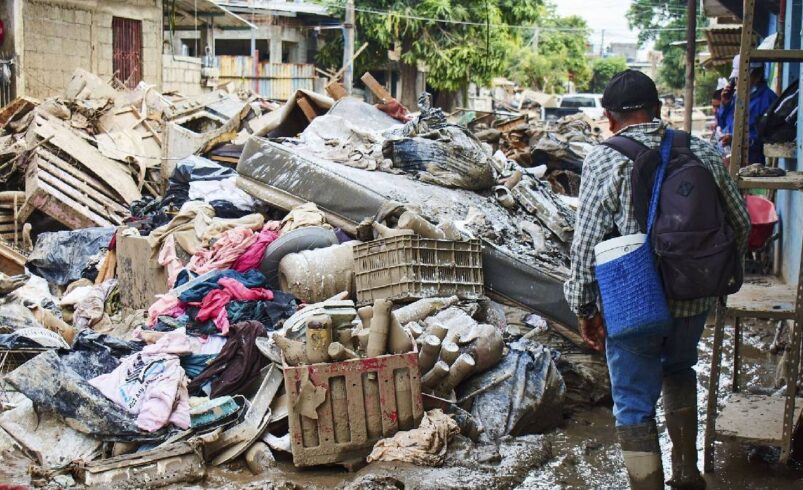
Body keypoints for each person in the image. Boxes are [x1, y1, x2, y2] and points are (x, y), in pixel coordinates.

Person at [564, 70, 750, 490]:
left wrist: (585, 308)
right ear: (659, 111)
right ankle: (687, 476)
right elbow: (739, 224)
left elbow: (586, 244)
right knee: (681, 369)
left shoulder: (604, 159)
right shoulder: (700, 151)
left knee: (633, 404)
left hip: (633, 303)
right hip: (693, 296)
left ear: (609, 117)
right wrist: (708, 276)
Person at [718, 54, 778, 164]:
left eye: (742, 78)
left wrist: (737, 140)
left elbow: (768, 138)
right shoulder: (737, 96)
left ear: (758, 75)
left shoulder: (769, 99)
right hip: (733, 158)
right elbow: (723, 124)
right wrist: (724, 105)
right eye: (736, 78)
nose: (737, 82)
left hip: (754, 161)